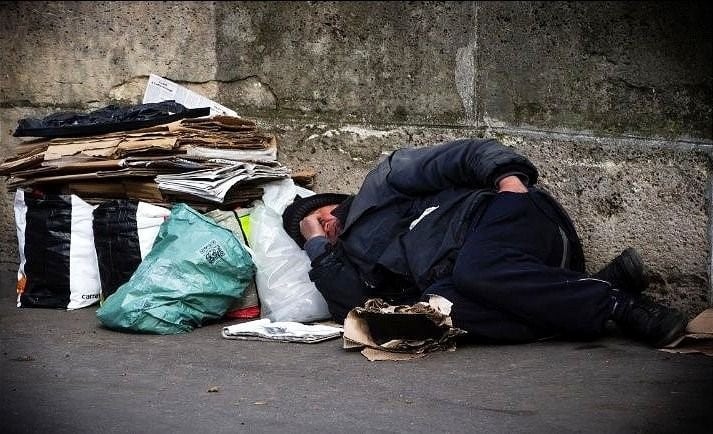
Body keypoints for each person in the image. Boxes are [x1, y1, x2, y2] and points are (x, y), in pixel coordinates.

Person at [282, 138, 687, 347]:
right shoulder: (351, 261)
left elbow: (463, 154)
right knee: (429, 318)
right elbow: (352, 309)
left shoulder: (381, 184)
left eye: (321, 216)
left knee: (475, 268)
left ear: (334, 202)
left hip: (504, 217)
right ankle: (597, 290)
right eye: (314, 231)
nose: (326, 225)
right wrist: (318, 248)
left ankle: (620, 305)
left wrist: (509, 178)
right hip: (495, 276)